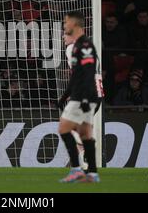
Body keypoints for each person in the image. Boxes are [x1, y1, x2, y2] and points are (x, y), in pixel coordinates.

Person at [56, 11, 101, 183]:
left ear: (74, 26)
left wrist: (73, 96)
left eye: (66, 24)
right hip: (95, 93)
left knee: (64, 129)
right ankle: (92, 172)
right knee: (83, 132)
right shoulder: (86, 45)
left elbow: (81, 75)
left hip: (85, 94)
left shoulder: (73, 48)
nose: (63, 33)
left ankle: (76, 169)